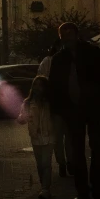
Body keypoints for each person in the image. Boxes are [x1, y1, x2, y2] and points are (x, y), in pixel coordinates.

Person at [49, 22, 100, 199]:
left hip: (95, 108)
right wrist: (59, 111)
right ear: (60, 37)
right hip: (72, 110)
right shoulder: (59, 59)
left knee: (98, 150)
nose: (67, 37)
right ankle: (83, 192)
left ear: (76, 34)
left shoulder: (93, 53)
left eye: (70, 33)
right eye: (64, 34)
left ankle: (98, 191)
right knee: (77, 153)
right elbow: (55, 86)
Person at [38, 43, 73, 177]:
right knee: (62, 137)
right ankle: (65, 163)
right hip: (59, 105)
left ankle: (65, 163)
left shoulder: (48, 61)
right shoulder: (50, 61)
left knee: (62, 138)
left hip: (61, 105)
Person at [18, 75, 55, 199]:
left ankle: (45, 189)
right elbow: (21, 118)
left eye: (41, 85)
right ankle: (43, 186)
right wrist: (23, 118)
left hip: (49, 136)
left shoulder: (50, 102)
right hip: (35, 137)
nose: (38, 88)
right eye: (35, 85)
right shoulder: (28, 102)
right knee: (40, 164)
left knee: (46, 163)